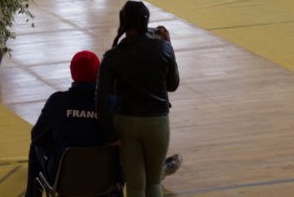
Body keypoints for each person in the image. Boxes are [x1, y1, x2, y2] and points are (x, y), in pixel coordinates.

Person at [26, 50, 183, 197]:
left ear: (73, 73)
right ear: (98, 73)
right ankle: (151, 173)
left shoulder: (57, 102)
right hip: (106, 182)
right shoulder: (113, 104)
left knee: (36, 144)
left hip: (65, 181)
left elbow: (37, 135)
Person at [96, 1, 179, 197]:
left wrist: (111, 134)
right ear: (146, 22)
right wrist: (169, 45)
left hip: (126, 123)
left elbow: (101, 100)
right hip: (157, 122)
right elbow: (173, 84)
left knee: (135, 185)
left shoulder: (113, 55)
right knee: (154, 181)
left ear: (123, 22)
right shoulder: (163, 48)